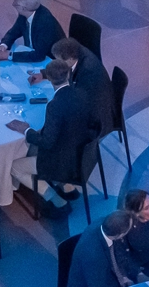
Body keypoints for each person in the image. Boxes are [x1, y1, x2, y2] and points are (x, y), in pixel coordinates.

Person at [7, 58, 95, 211]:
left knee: (14, 167)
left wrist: (25, 130)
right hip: (82, 154)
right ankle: (65, 185)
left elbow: (47, 142)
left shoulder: (55, 106)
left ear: (49, 78)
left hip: (61, 162)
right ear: (68, 74)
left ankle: (54, 199)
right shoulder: (83, 93)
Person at [65, 209, 137, 287]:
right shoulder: (94, 256)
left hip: (103, 276)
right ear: (119, 235)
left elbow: (115, 254)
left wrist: (123, 276)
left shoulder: (104, 223)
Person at [55, 37, 113, 138]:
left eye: (60, 62)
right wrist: (44, 75)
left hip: (96, 121)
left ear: (70, 58)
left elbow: (82, 104)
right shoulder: (77, 51)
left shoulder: (88, 71)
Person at [0, 0, 64, 60]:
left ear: (23, 8)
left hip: (51, 60)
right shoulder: (25, 13)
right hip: (32, 54)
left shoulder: (45, 23)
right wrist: (4, 45)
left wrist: (9, 55)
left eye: (15, 4)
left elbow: (39, 55)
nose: (14, 5)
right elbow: (13, 32)